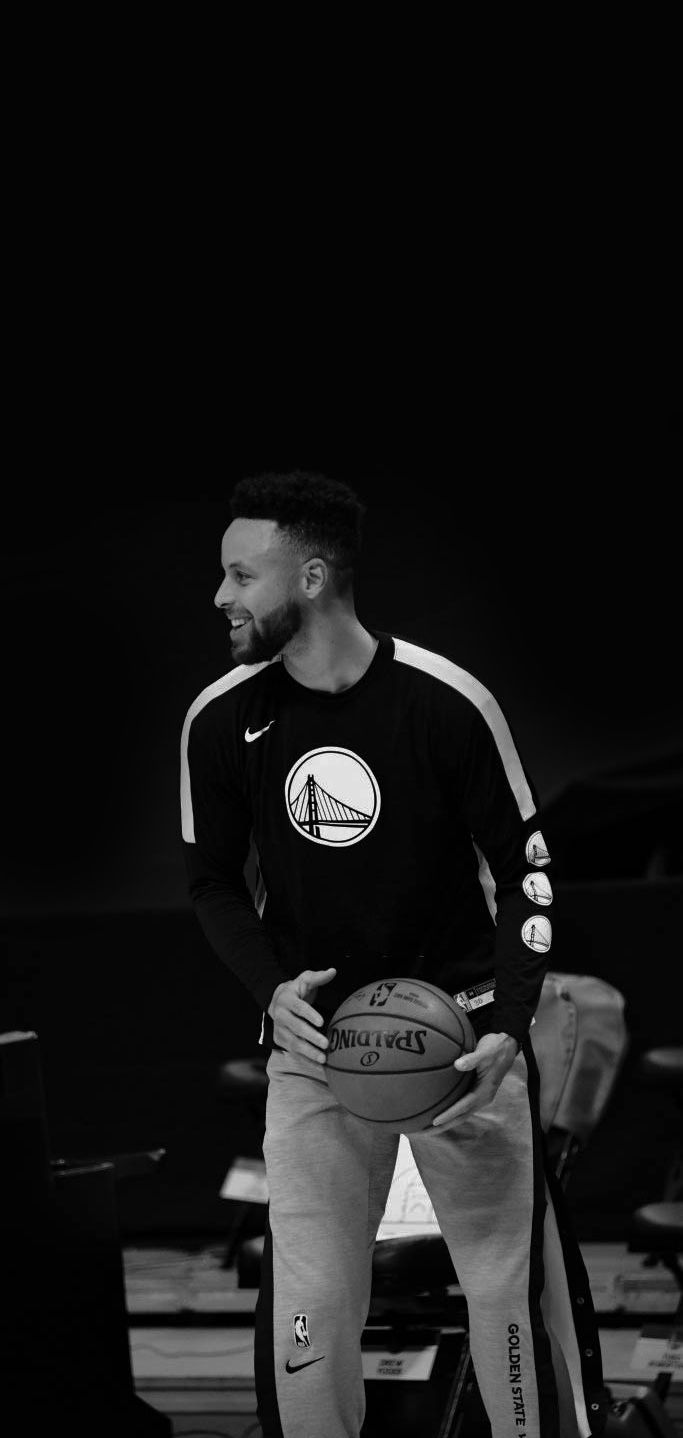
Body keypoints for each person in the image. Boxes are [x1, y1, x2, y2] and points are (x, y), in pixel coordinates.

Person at [180, 471, 607, 1438]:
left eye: (242, 575)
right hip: (317, 1054)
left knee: (508, 1301)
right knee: (308, 1308)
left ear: (315, 577)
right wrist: (269, 987)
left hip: (457, 1050)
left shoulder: (446, 702)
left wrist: (504, 1026)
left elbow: (527, 871)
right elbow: (209, 881)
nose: (220, 598)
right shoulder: (221, 720)